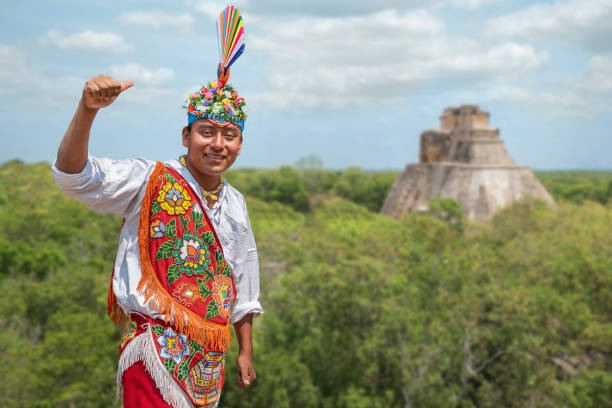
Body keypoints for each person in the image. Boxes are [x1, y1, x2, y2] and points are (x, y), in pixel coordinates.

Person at [52, 74, 262, 408]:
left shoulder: (235, 203)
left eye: (229, 135)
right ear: (186, 136)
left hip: (209, 363)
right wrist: (87, 110)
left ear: (240, 145)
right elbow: (74, 176)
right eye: (206, 132)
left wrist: (245, 350)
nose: (218, 144)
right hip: (154, 352)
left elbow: (242, 279)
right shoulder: (150, 179)